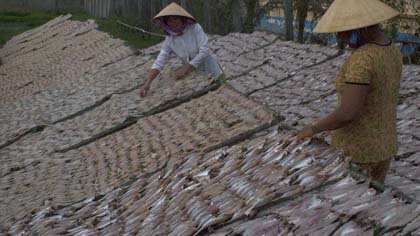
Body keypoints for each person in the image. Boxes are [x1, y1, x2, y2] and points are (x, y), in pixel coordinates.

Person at [297, 0, 403, 183]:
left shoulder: (363, 59)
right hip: (384, 146)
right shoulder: (392, 49)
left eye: (342, 31)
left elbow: (347, 113)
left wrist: (313, 128)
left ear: (359, 28)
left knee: (354, 207)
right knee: (373, 201)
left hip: (358, 151)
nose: (339, 36)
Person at [139, 3, 223, 97]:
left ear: (182, 19)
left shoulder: (195, 29)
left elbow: (204, 51)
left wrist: (186, 67)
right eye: (169, 20)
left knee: (220, 92)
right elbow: (160, 61)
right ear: (166, 23)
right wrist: (148, 82)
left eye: (175, 19)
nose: (173, 23)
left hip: (210, 69)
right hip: (195, 75)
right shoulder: (170, 40)